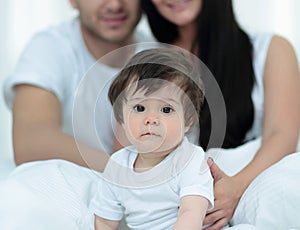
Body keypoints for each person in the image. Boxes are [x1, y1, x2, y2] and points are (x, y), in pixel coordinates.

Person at [141, 0, 300, 229]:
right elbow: (129, 153)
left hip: (252, 182)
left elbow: (282, 135)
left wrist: (236, 187)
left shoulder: (270, 49)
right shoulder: (146, 60)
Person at [0, 0, 155, 229]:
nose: (114, 5)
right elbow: (31, 142)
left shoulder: (158, 57)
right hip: (53, 194)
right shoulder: (51, 47)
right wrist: (125, 173)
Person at [91, 48, 214, 230]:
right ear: (122, 119)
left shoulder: (190, 159)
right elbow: (104, 220)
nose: (151, 119)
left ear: (187, 121)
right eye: (139, 108)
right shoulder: (117, 166)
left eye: (166, 110)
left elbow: (191, 212)